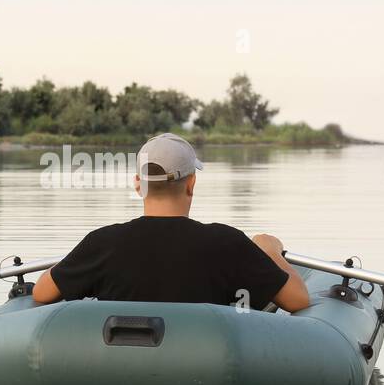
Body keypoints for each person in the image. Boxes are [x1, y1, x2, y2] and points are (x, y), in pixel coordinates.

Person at [32, 133, 311, 312]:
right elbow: (298, 300)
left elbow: (42, 293)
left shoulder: (102, 243)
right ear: (192, 183)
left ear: (138, 185)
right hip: (207, 379)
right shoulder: (228, 243)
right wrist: (269, 250)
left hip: (119, 378)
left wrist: (79, 261)